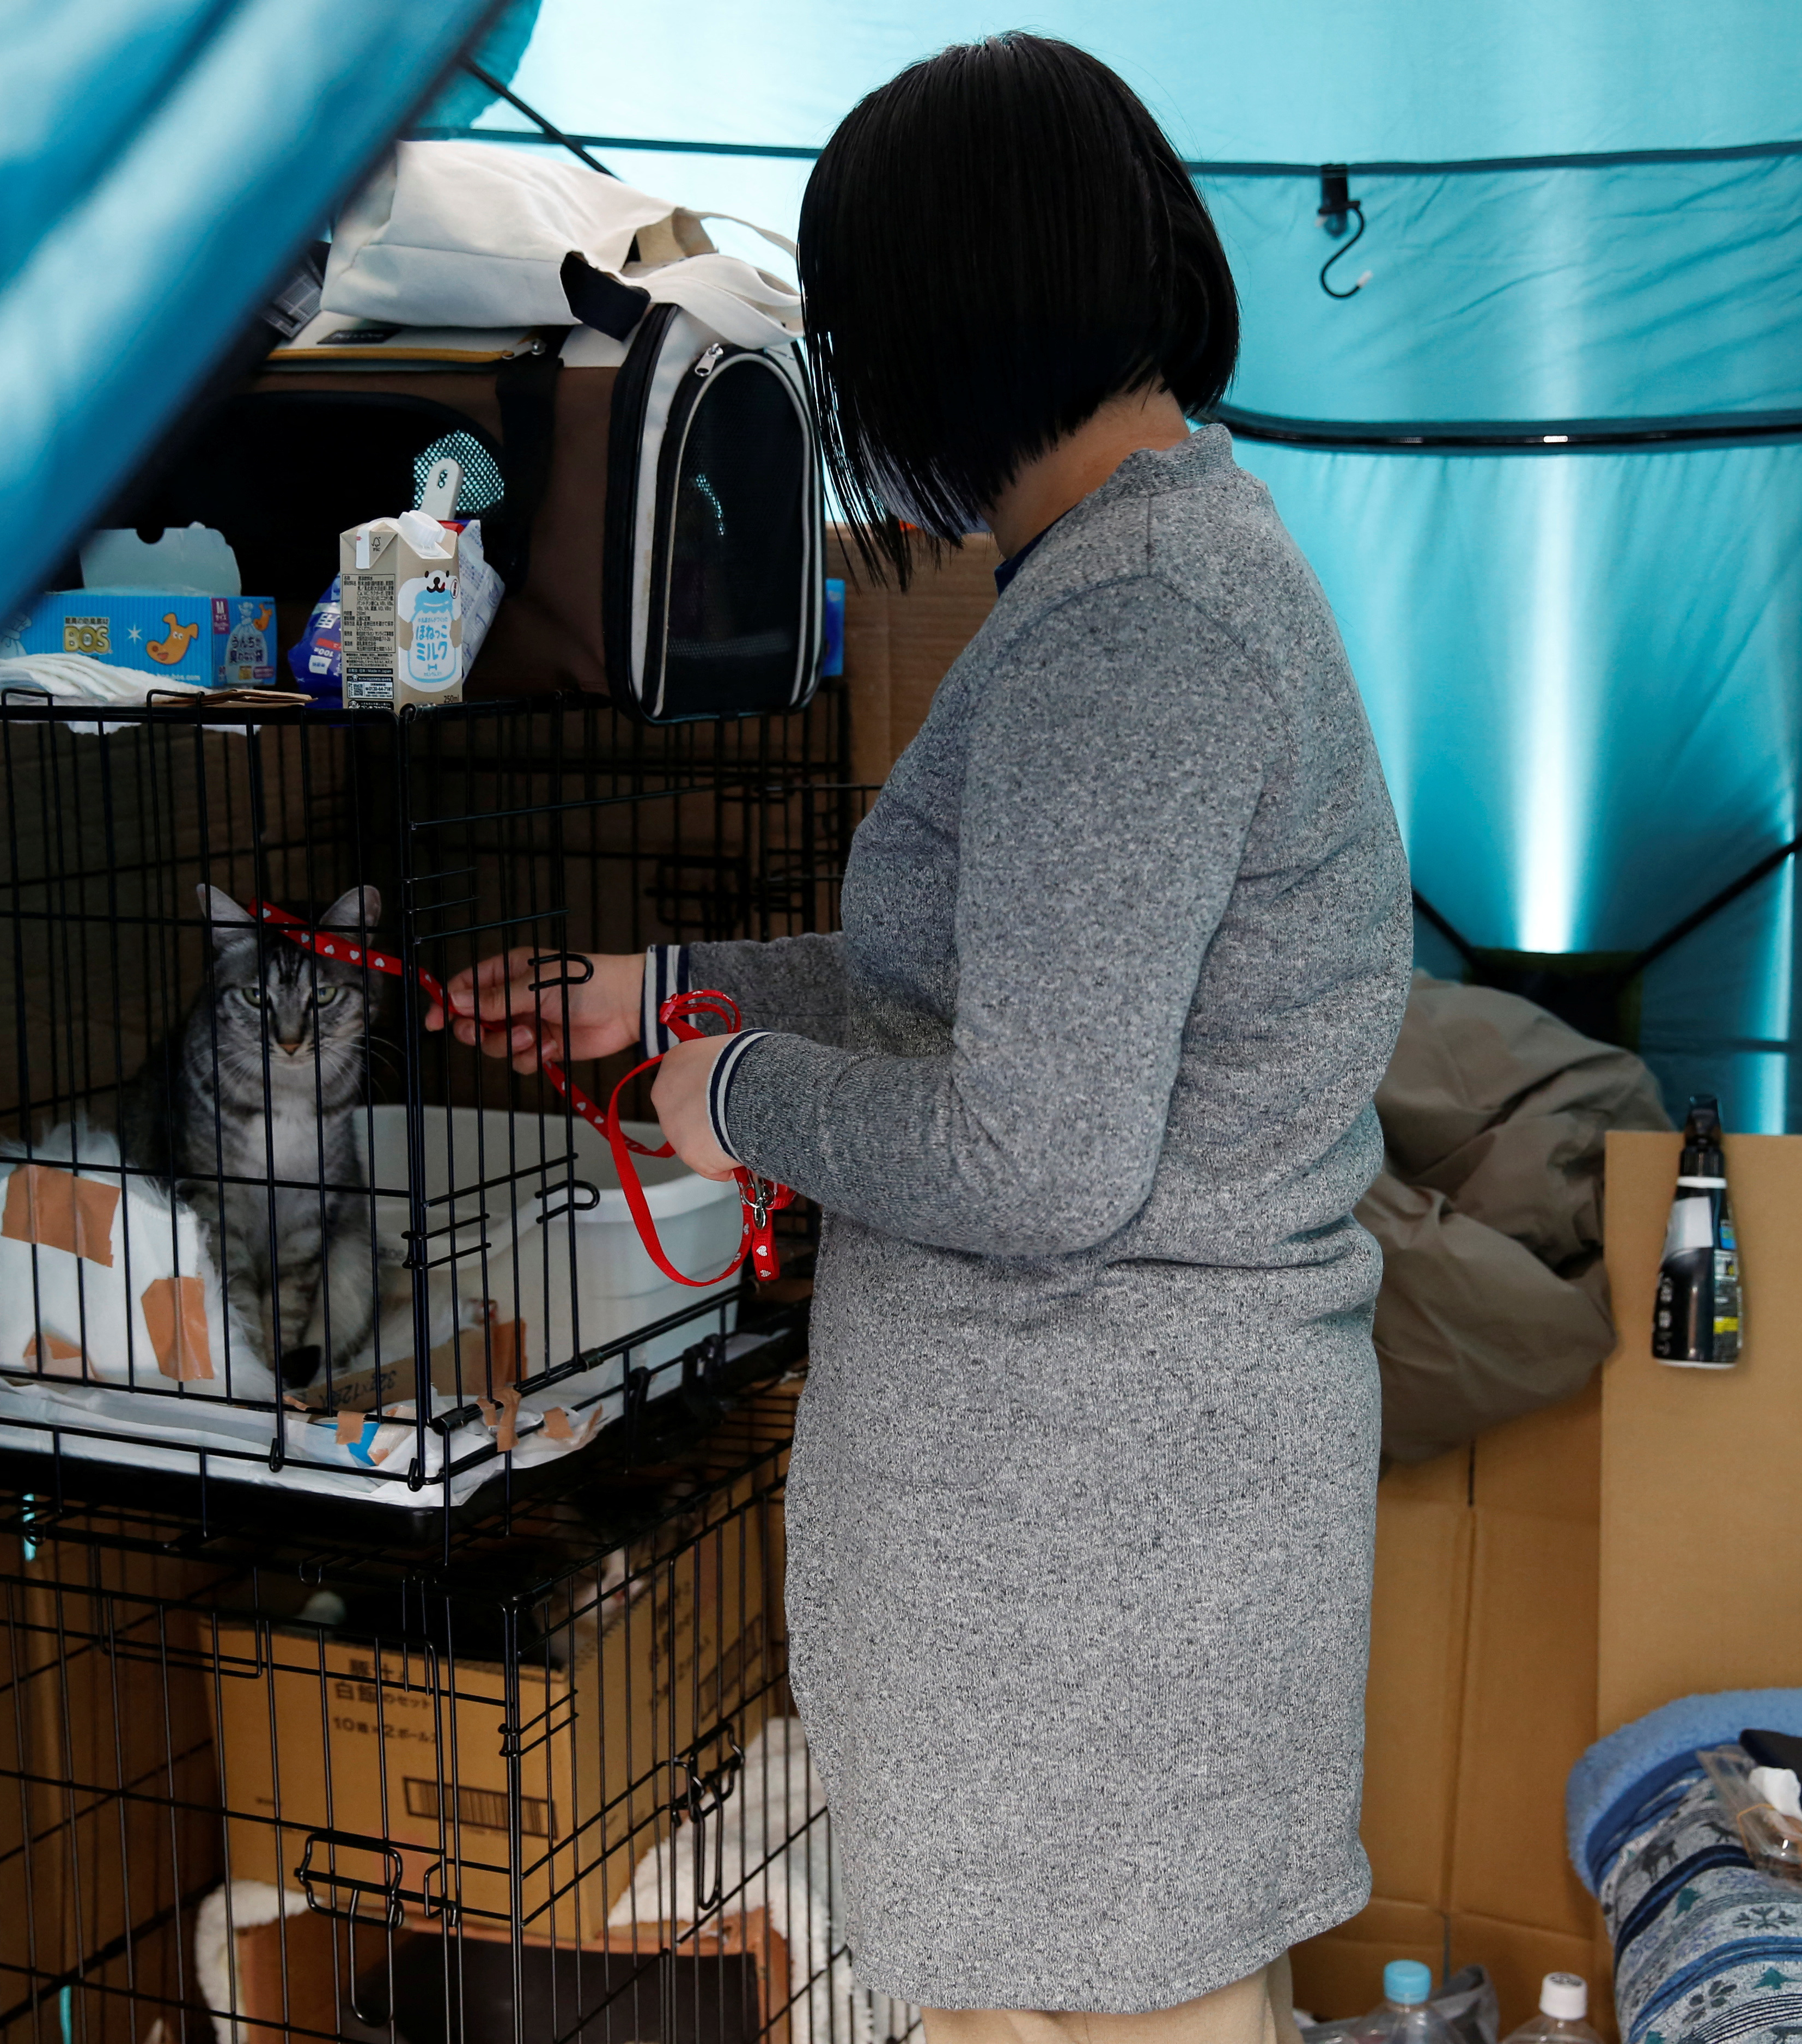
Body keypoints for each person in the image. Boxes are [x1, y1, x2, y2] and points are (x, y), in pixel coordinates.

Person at [428, 34, 1410, 2044]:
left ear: (941, 328)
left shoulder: (1139, 629)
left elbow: (1038, 1159)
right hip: (1101, 1536)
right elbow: (992, 972)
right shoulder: (1145, 570)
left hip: (1097, 1555)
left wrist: (729, 1095)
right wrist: (673, 988)